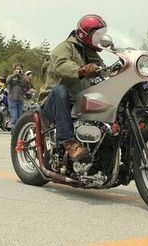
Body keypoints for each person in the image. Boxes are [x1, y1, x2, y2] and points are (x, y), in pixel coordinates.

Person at [38, 14, 107, 161]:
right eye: (97, 34)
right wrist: (81, 70)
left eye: (101, 35)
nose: (99, 38)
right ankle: (68, 143)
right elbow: (61, 64)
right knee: (60, 90)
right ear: (86, 33)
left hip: (78, 103)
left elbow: (103, 70)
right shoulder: (65, 47)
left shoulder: (92, 54)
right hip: (53, 102)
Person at [6, 63, 28, 133]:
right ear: (14, 70)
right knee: (14, 117)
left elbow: (26, 87)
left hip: (20, 99)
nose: (19, 70)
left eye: (20, 69)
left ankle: (18, 132)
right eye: (17, 69)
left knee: (19, 118)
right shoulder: (11, 76)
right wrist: (14, 75)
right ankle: (13, 133)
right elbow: (7, 81)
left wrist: (25, 78)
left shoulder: (22, 78)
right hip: (12, 99)